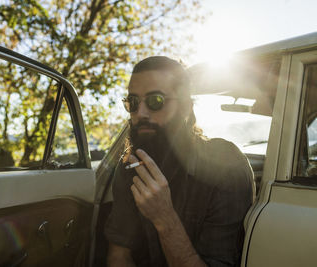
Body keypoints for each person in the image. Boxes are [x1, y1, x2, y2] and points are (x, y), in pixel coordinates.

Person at [104, 56, 255, 267]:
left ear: (185, 107)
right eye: (133, 102)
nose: (141, 113)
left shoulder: (226, 166)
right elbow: (119, 254)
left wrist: (164, 219)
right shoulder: (130, 167)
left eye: (155, 100)